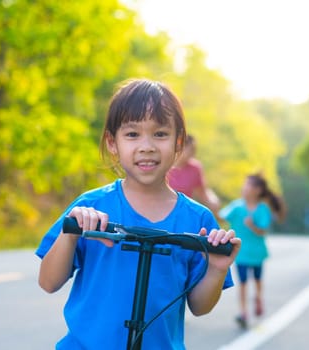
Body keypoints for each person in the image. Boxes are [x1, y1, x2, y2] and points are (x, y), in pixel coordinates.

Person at [36, 78, 241, 349]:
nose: (147, 146)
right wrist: (70, 234)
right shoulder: (91, 206)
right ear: (112, 142)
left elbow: (200, 307)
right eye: (132, 135)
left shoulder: (197, 220)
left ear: (179, 143)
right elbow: (49, 282)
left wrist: (216, 270)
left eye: (160, 134)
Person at [218, 173, 283, 329]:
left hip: (257, 253)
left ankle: (258, 298)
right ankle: (243, 312)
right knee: (243, 283)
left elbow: (263, 230)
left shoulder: (262, 209)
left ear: (258, 190)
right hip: (240, 254)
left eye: (248, 185)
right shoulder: (236, 206)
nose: (244, 188)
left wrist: (252, 225)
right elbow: (220, 216)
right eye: (244, 184)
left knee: (258, 280)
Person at [167, 134, 220, 213]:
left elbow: (202, 191)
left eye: (194, 149)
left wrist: (213, 201)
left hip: (184, 210)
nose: (193, 152)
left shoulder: (195, 167)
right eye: (190, 149)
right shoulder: (165, 165)